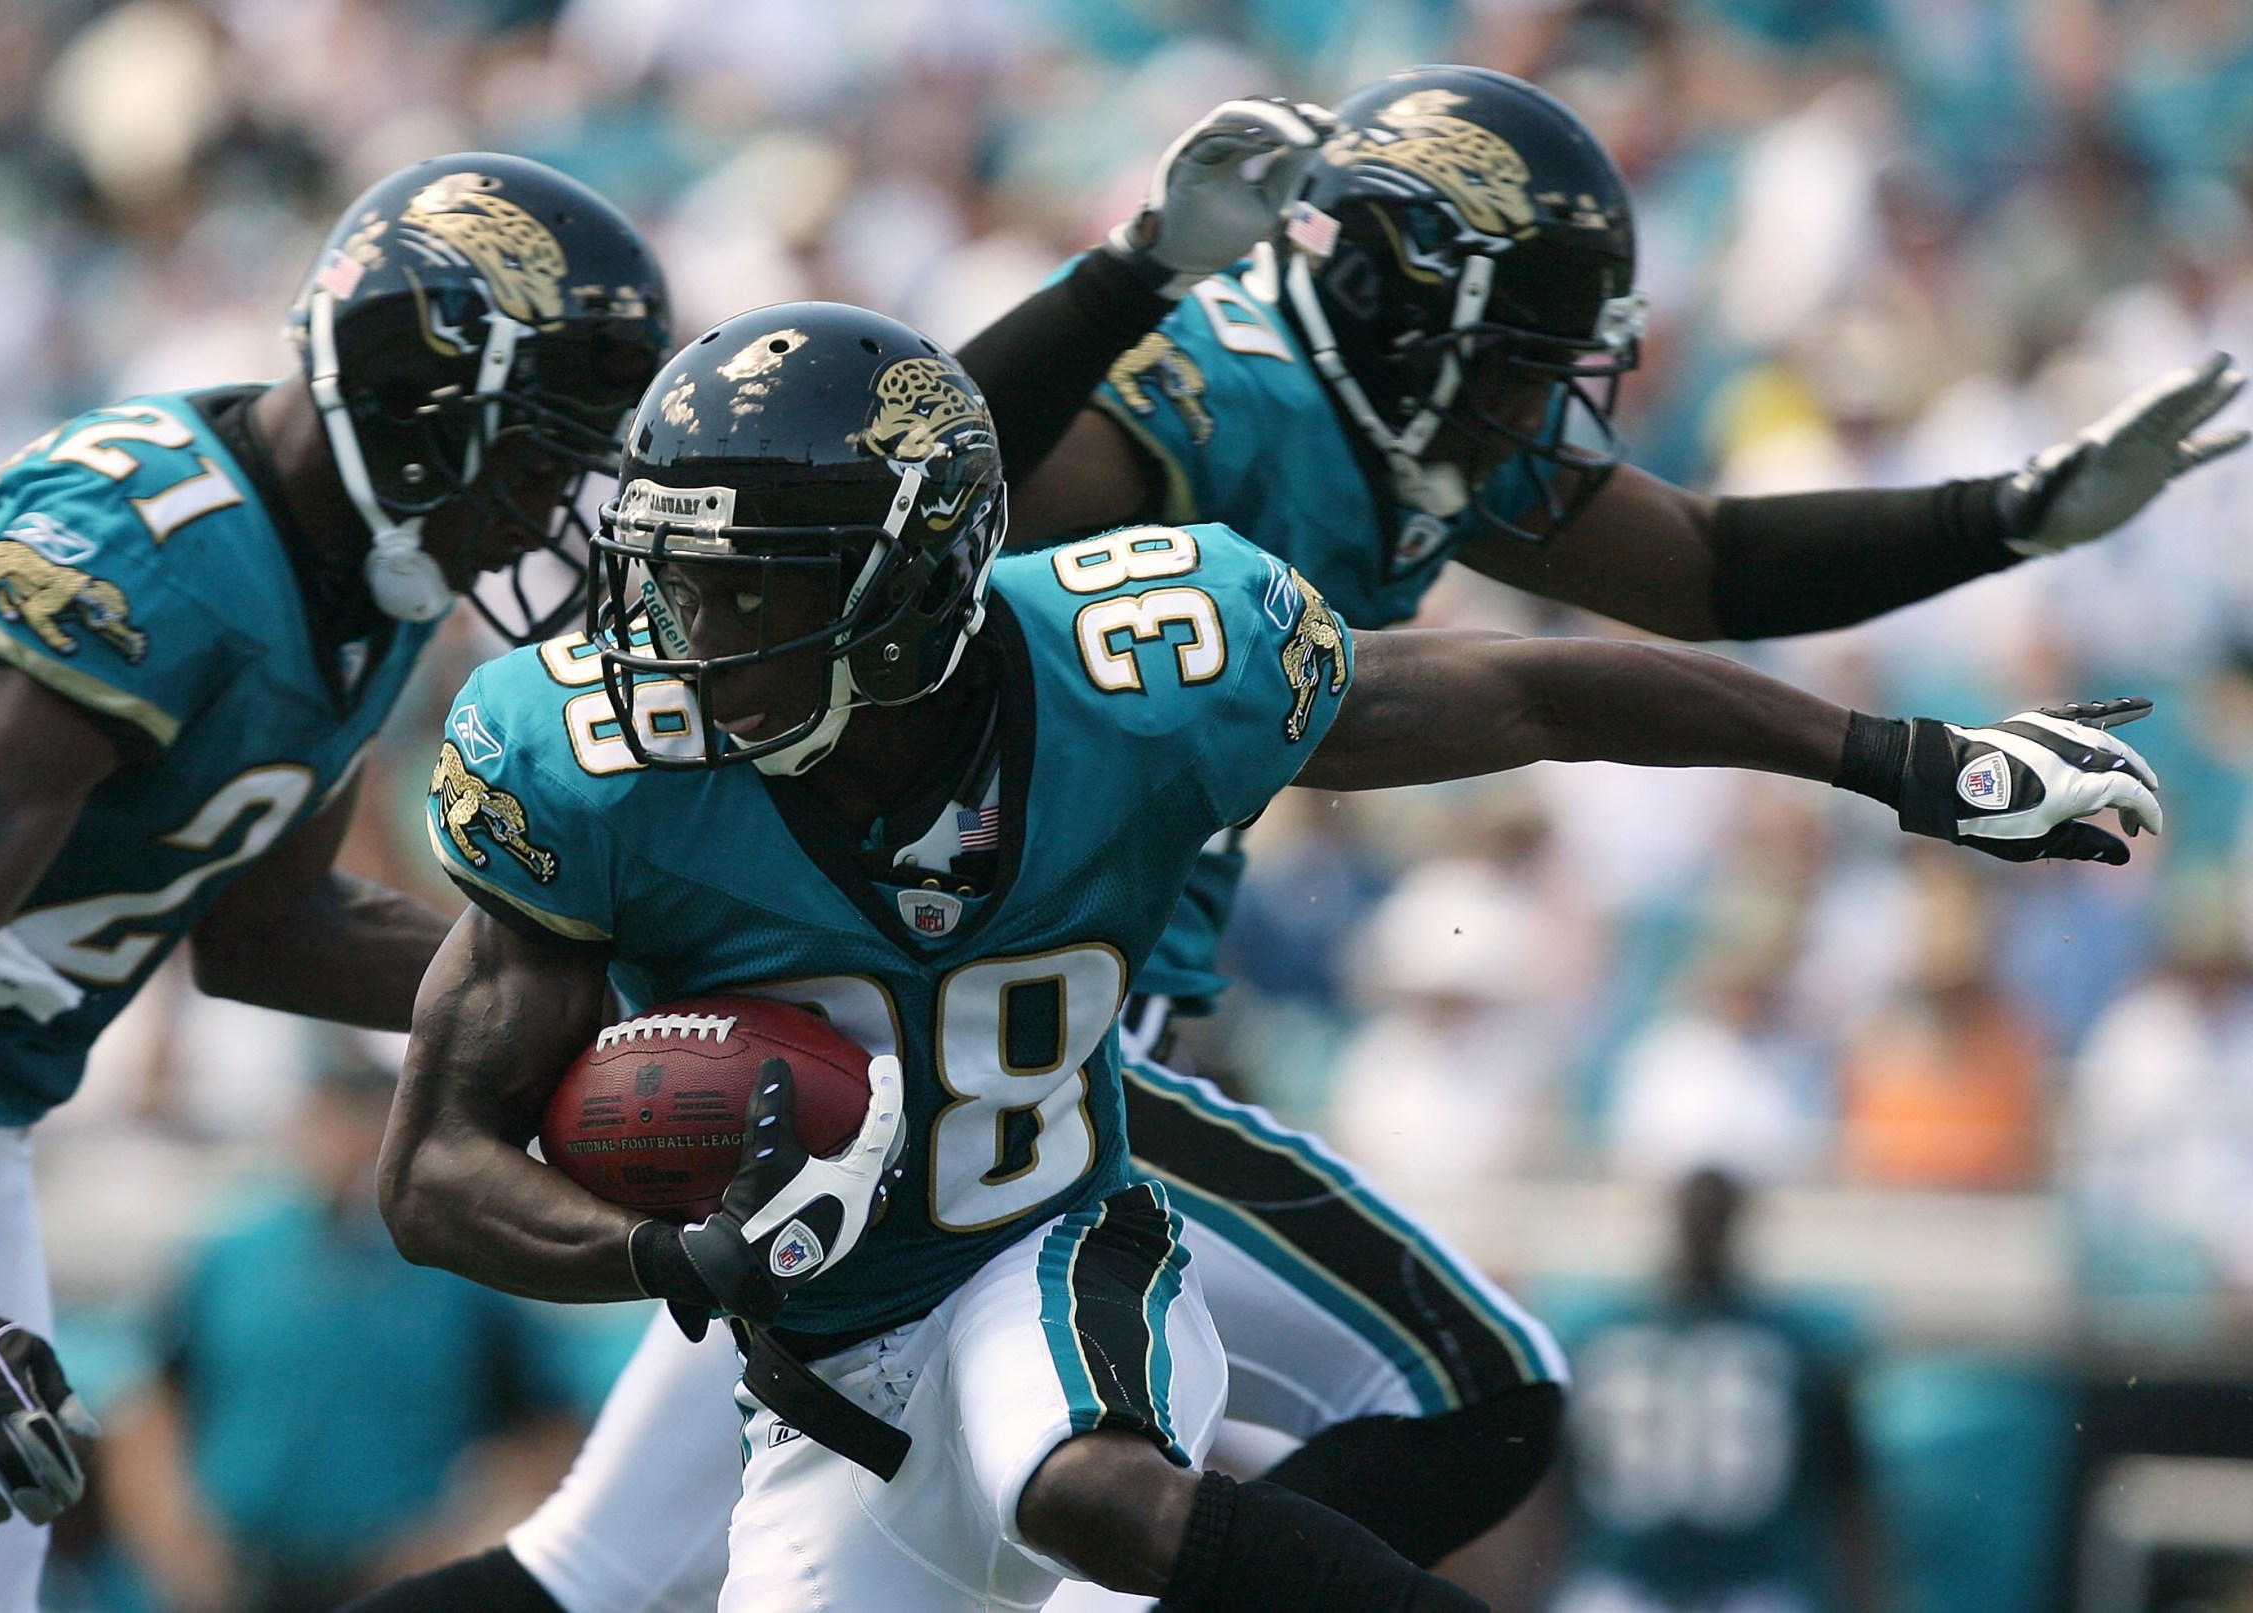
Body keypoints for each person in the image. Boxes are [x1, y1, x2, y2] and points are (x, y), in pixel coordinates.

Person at [348, 70, 2240, 1613]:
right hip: (891, 1118)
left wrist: (2000, 543)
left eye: (738, 591)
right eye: (1519, 358)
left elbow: (1665, 598)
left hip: (1047, 1107)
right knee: (611, 1564)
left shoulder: (1221, 596)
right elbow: (914, 449)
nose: (1543, 411)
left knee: (855, 1522)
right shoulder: (1194, 411)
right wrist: (1128, 277)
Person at [0, 154, 668, 1613]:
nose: (553, 511)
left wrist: (604, 998)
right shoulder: (153, 555)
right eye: (541, 457)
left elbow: (270, 924)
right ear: (420, 401)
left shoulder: (364, 571)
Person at [101, 1056, 583, 1613]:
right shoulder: (232, 1255)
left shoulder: (456, 1268)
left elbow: (549, 1425)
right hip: (239, 1569)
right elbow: (151, 1402)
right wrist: (173, 1541)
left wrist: (464, 1542)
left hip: (388, 1575)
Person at [1548, 1170, 1872, 1613]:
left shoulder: (1596, 1330)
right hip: (1644, 1585)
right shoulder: (1795, 1338)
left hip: (1722, 1585)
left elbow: (1844, 1486)